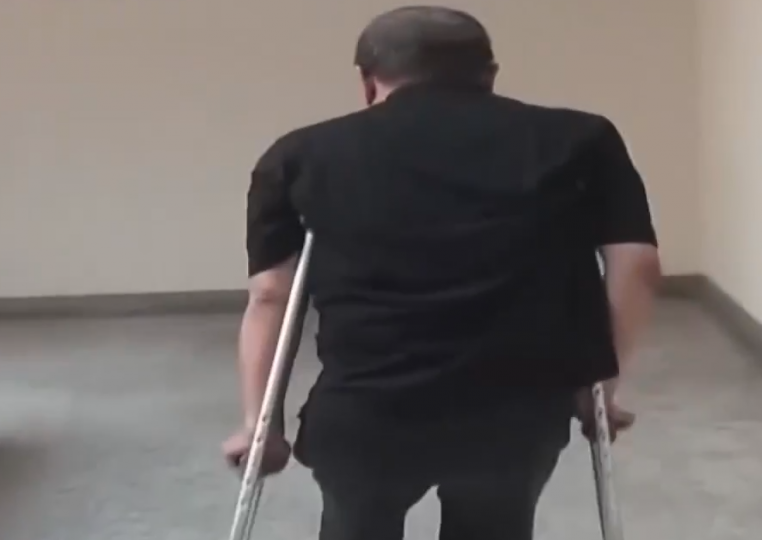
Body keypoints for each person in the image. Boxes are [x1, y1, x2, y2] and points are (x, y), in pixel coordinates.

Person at [222, 5, 661, 540]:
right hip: (516, 414)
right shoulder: (582, 139)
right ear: (489, 75)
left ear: (368, 82)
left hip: (366, 413)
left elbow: (272, 295)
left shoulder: (300, 154)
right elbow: (636, 266)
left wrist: (258, 426)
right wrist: (598, 390)